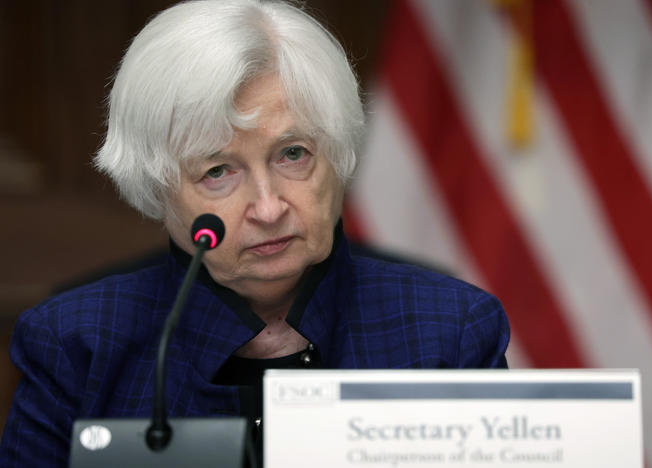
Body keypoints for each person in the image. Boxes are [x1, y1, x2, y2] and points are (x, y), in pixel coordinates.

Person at [0, 0, 510, 466]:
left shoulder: (449, 332)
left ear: (338, 155)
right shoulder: (74, 344)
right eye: (218, 171)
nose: (268, 208)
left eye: (294, 154)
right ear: (157, 189)